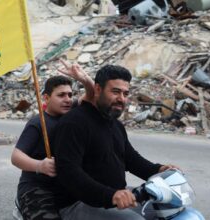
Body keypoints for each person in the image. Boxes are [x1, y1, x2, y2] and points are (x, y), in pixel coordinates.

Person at [53, 65, 180, 220]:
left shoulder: (114, 123)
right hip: (77, 203)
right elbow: (69, 172)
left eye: (125, 93)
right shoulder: (74, 123)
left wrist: (159, 170)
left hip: (114, 195)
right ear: (98, 89)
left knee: (169, 208)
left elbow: (130, 158)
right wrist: (111, 195)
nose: (121, 99)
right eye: (115, 92)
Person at [11, 60, 94, 220]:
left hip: (65, 186)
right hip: (36, 190)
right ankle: (21, 209)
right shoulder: (38, 123)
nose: (68, 99)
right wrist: (39, 166)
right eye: (61, 95)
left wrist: (84, 79)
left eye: (70, 95)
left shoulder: (71, 112)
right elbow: (16, 157)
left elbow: (91, 96)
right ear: (46, 98)